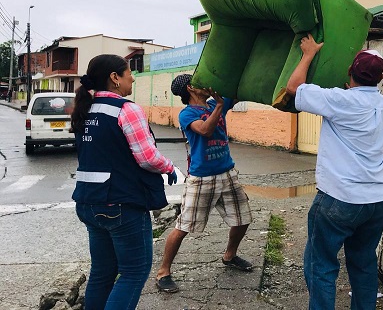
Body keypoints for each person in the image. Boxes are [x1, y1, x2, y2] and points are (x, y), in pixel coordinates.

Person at [285, 34, 383, 310]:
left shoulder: (341, 100)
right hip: (375, 202)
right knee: (363, 265)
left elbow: (293, 87)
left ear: (350, 73)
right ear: (380, 80)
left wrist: (308, 54)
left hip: (339, 200)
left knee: (320, 266)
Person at [70, 54, 178, 310]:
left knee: (102, 273)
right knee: (134, 272)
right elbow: (147, 157)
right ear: (115, 78)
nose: (133, 78)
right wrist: (170, 167)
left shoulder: (86, 109)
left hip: (87, 202)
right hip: (120, 204)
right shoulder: (126, 109)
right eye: (130, 73)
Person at [155, 73, 253, 293]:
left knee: (243, 218)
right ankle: (163, 272)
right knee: (184, 226)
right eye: (200, 83)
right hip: (201, 179)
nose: (205, 86)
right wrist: (219, 106)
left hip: (227, 173)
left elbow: (236, 88)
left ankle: (230, 255)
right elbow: (205, 130)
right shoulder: (187, 114)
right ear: (190, 88)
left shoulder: (214, 102)